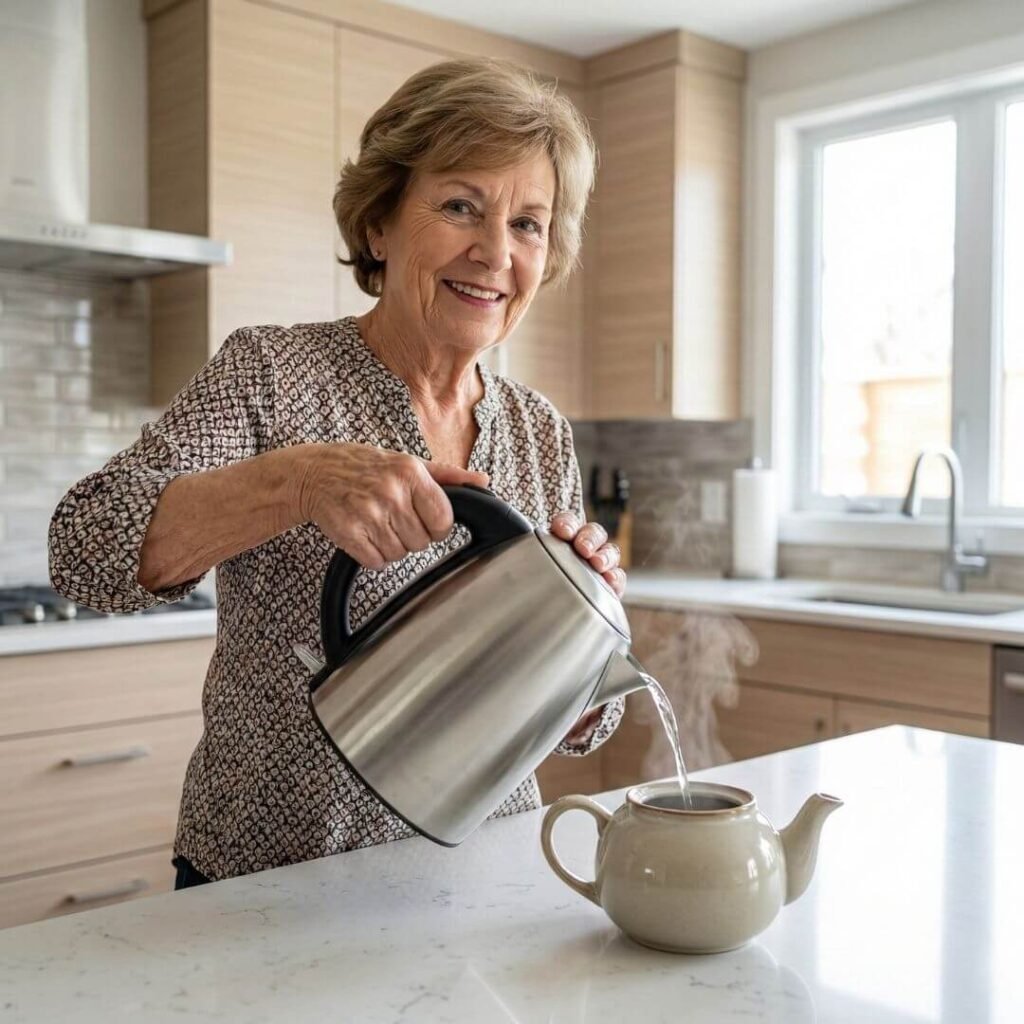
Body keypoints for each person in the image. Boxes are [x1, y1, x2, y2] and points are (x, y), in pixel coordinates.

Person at [49, 57, 626, 888]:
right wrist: (295, 482)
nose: (496, 251)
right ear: (380, 225)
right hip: (269, 876)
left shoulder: (541, 432)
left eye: (529, 223)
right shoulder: (270, 373)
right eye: (461, 205)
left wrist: (589, 633)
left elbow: (573, 721)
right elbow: (85, 548)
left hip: (481, 876)